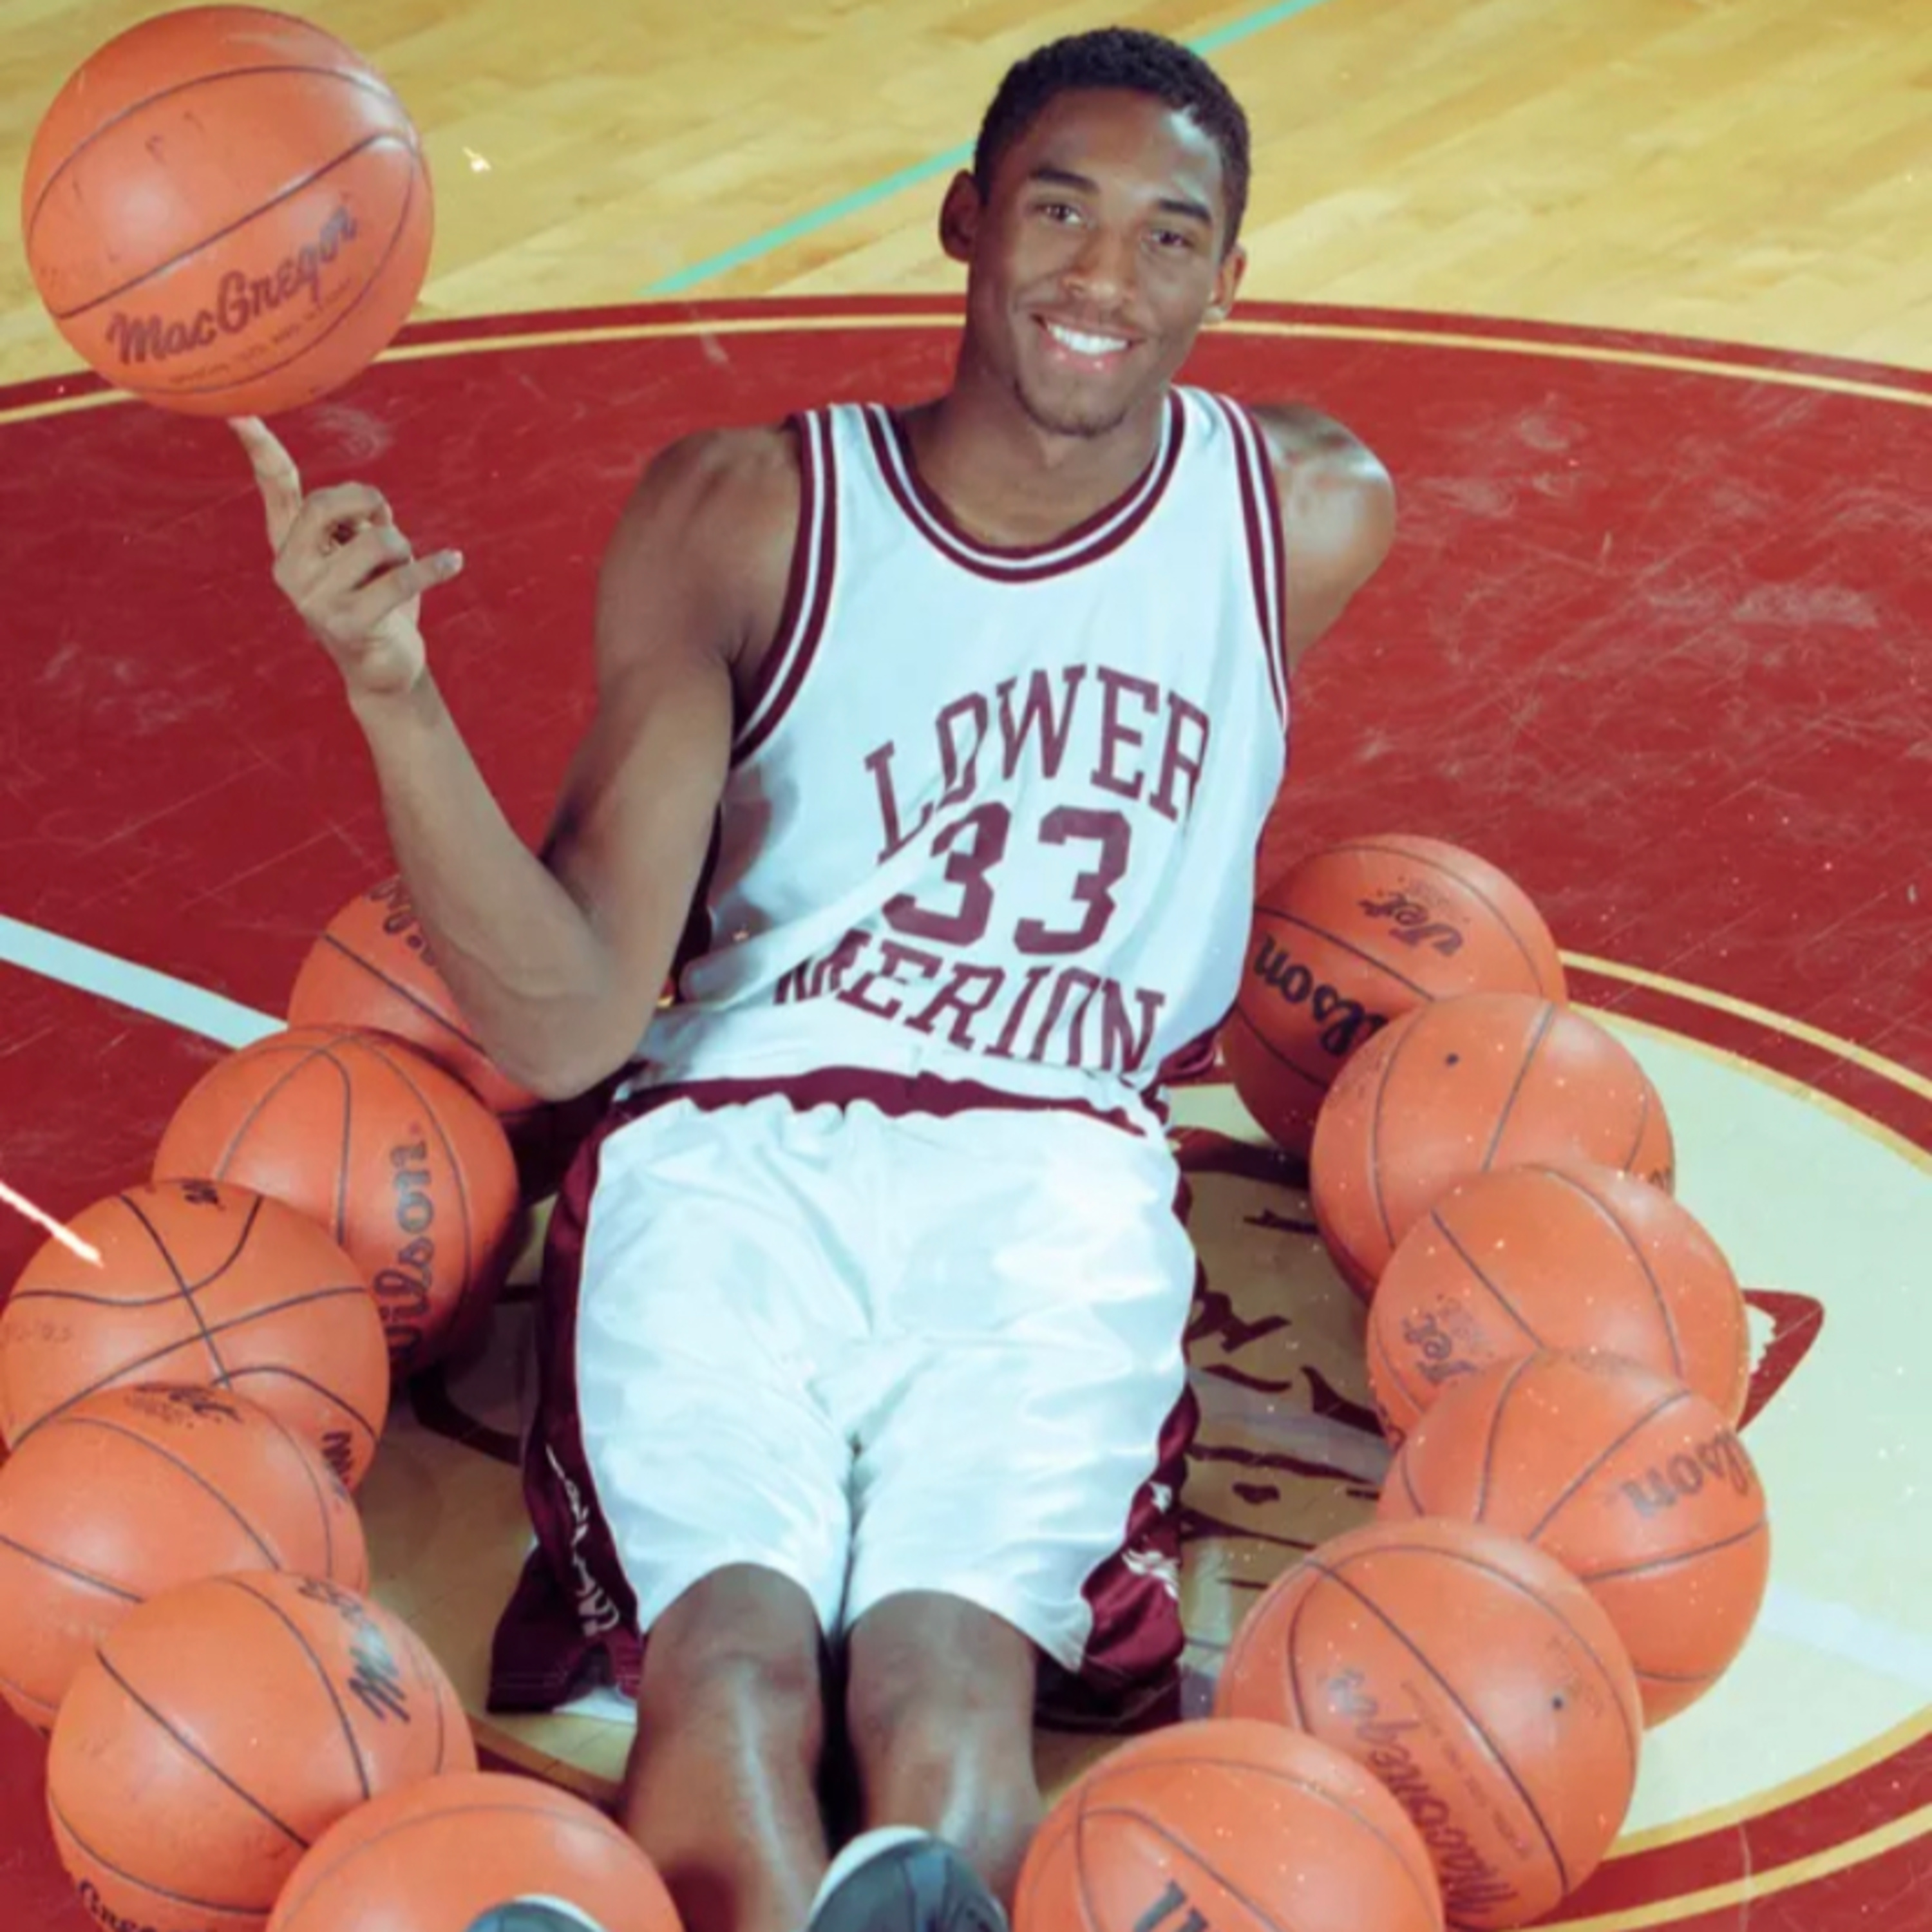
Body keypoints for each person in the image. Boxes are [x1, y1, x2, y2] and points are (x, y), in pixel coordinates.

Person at [238, 26, 1394, 1932]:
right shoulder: (749, 513)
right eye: (1060, 212)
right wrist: (395, 691)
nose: (1108, 276)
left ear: (1230, 279)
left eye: (1169, 235)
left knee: (945, 1689)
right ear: (962, 222)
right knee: (733, 1674)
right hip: (731, 1157)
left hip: (1053, 1182)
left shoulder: (1302, 511)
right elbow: (567, 1020)